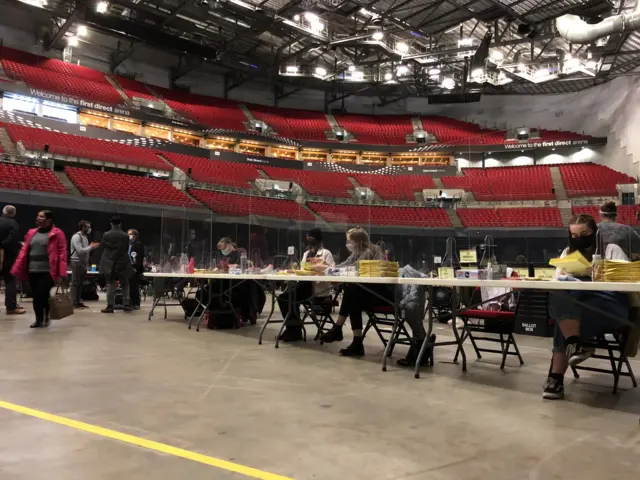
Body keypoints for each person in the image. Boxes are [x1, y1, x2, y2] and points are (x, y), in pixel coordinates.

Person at [543, 214, 630, 400]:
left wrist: (598, 273)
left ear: (594, 232)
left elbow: (628, 280)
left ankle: (556, 377)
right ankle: (575, 344)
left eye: (584, 233)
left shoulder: (611, 249)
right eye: (574, 235)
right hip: (579, 306)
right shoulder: (567, 252)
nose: (579, 239)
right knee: (559, 296)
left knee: (565, 318)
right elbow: (557, 282)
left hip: (610, 304)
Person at [316, 227, 388, 356]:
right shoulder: (357, 253)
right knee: (352, 293)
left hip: (380, 294)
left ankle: (340, 330)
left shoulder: (369, 252)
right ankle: (354, 340)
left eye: (350, 241)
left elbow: (352, 270)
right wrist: (327, 266)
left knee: (352, 292)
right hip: (364, 293)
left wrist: (326, 269)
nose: (348, 244)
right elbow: (344, 266)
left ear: (359, 241)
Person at [277, 228, 335, 342]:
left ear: (317, 238)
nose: (308, 239)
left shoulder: (326, 253)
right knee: (284, 298)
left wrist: (321, 266)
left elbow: (333, 271)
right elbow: (303, 270)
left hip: (319, 289)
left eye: (310, 236)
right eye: (307, 236)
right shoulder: (306, 253)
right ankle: (293, 329)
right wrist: (294, 271)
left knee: (287, 299)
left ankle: (294, 330)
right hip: (304, 286)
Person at [11, 211, 67, 328]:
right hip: (32, 269)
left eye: (41, 216)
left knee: (43, 293)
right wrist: (18, 268)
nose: (38, 218)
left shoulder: (58, 233)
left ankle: (46, 316)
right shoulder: (32, 232)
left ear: (49, 219)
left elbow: (62, 254)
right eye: (37, 216)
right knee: (36, 296)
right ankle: (38, 319)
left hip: (48, 270)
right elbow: (24, 251)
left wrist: (61, 273)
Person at [99, 216, 134, 313]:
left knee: (110, 284)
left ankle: (110, 306)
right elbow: (127, 248)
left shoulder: (106, 235)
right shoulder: (125, 236)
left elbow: (104, 246)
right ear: (120, 224)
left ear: (111, 224)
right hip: (122, 262)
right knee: (125, 284)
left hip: (110, 262)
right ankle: (126, 305)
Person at [0, 205, 25, 315]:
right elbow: (11, 240)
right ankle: (11, 307)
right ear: (13, 214)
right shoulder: (13, 224)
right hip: (8, 257)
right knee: (10, 281)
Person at [69, 220, 100, 308]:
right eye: (87, 227)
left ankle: (78, 301)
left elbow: (85, 250)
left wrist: (90, 247)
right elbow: (80, 251)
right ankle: (73, 302)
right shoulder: (77, 236)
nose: (89, 229)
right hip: (76, 261)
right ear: (82, 227)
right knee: (75, 283)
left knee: (80, 283)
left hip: (83, 262)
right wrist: (91, 247)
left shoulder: (84, 237)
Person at [128, 229, 145, 310]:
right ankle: (129, 302)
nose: (129, 236)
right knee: (128, 286)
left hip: (135, 268)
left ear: (135, 235)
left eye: (130, 234)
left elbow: (140, 257)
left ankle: (136, 303)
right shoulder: (128, 244)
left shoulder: (139, 244)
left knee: (134, 286)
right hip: (127, 267)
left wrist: (136, 267)